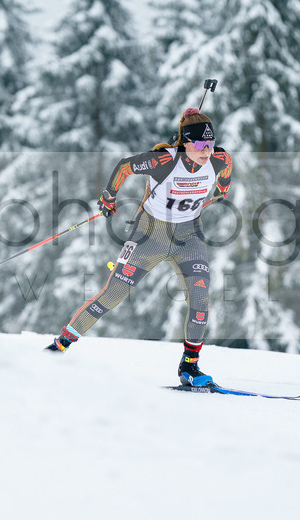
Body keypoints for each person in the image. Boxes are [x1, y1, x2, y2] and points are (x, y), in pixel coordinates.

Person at [45, 107, 233, 387]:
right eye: (200, 144)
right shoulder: (164, 161)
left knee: (201, 297)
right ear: (184, 143)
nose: (207, 151)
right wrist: (109, 197)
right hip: (150, 234)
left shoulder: (219, 158)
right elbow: (124, 166)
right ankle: (60, 346)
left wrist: (219, 193)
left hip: (189, 236)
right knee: (114, 293)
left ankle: (189, 367)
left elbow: (224, 184)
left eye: (210, 143)